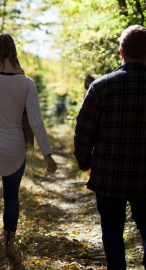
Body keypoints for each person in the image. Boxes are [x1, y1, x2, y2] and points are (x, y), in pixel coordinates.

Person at [0, 33, 57, 270]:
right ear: (15, 51)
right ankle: (9, 244)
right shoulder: (26, 83)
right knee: (12, 197)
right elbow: (36, 121)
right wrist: (47, 154)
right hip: (14, 150)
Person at [74, 25, 146, 270]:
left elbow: (83, 129)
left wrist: (84, 161)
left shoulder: (102, 86)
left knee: (112, 233)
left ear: (120, 53)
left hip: (109, 176)